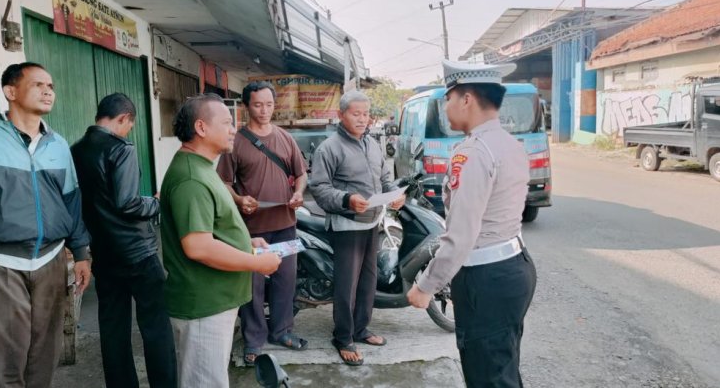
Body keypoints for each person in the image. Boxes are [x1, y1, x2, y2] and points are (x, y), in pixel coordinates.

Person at [407, 61, 537, 387]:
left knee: (487, 377)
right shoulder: (510, 144)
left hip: (485, 279)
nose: (446, 107)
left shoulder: (473, 152)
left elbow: (461, 236)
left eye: (448, 99)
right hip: (514, 267)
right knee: (502, 368)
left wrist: (426, 287)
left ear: (466, 99)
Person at [0, 62, 92, 387]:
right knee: (10, 354)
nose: (48, 90)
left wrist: (81, 252)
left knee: (45, 351)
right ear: (11, 92)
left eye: (50, 85)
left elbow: (72, 202)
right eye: (38, 84)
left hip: (51, 259)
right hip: (1, 263)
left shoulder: (58, 145)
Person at [160, 93, 281, 387]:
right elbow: (198, 246)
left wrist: (248, 244)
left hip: (214, 301)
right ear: (201, 128)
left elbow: (211, 231)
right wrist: (255, 262)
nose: (233, 130)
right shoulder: (191, 177)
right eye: (227, 123)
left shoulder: (203, 167)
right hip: (204, 305)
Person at [71, 93, 177, 388]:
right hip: (138, 254)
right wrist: (156, 203)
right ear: (123, 119)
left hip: (104, 254)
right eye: (130, 125)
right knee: (155, 327)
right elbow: (128, 203)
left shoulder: (76, 151)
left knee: (113, 329)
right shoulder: (121, 149)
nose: (129, 131)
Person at [309, 90, 405, 366]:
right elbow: (319, 188)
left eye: (366, 114)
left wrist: (396, 194)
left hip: (372, 221)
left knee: (367, 281)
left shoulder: (372, 144)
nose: (363, 119)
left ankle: (361, 329)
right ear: (341, 115)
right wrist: (347, 200)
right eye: (356, 114)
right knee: (347, 285)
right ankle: (343, 337)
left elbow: (385, 179)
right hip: (346, 225)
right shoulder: (330, 148)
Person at [217, 81, 308, 366]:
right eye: (258, 105)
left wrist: (298, 193)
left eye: (269, 104)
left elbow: (301, 173)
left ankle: (282, 330)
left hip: (284, 222)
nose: (264, 110)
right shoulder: (236, 142)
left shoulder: (285, 138)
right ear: (246, 106)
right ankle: (254, 339)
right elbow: (224, 182)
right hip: (251, 227)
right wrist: (238, 199)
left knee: (285, 279)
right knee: (252, 286)